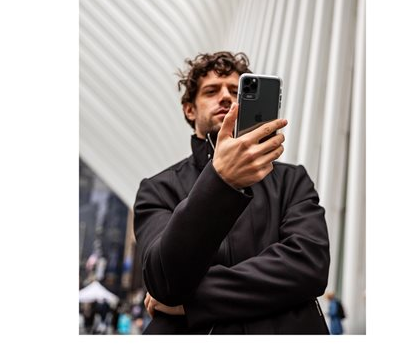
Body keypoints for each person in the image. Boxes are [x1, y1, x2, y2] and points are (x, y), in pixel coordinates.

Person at [133, 51, 330, 334]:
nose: (226, 97)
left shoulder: (291, 179)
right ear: (189, 110)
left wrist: (195, 302)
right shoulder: (158, 189)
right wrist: (220, 181)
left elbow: (309, 267)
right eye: (211, 91)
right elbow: (164, 279)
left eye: (237, 91)